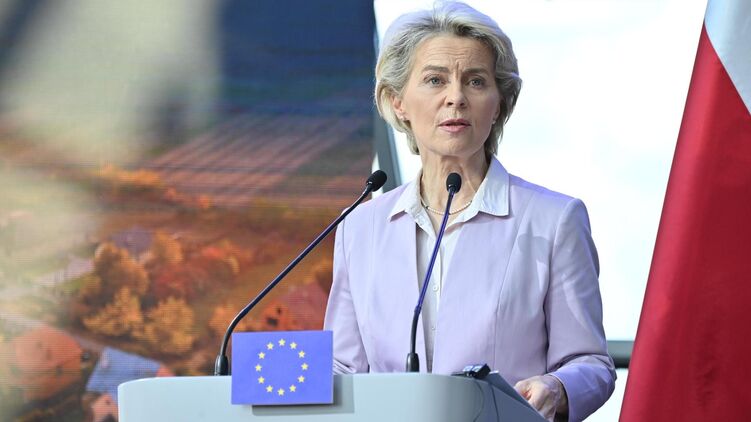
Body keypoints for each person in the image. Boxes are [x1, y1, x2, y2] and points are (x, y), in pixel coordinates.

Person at [323, 2, 615, 420]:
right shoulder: (360, 227)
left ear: (498, 105)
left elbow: (590, 363)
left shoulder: (553, 220)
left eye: (476, 81)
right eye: (435, 80)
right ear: (397, 101)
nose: (456, 98)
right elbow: (342, 368)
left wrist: (558, 387)